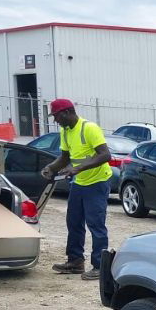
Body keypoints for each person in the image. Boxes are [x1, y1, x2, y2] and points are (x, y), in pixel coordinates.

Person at [40, 99, 112, 280]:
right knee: (73, 222)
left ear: (67, 112)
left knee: (96, 225)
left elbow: (105, 155)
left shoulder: (89, 128)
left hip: (97, 181)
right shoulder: (65, 131)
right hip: (80, 183)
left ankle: (99, 266)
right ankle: (75, 261)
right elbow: (65, 157)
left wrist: (77, 169)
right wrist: (51, 167)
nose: (55, 120)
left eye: (56, 116)